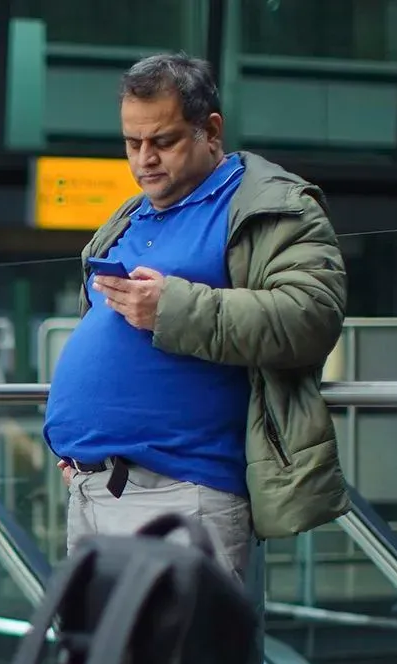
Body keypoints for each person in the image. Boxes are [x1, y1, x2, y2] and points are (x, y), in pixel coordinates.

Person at [44, 51, 350, 581]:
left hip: (184, 497)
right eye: (131, 144)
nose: (144, 160)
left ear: (211, 130)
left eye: (162, 142)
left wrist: (172, 308)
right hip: (92, 492)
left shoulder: (270, 205)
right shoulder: (131, 214)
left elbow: (311, 314)